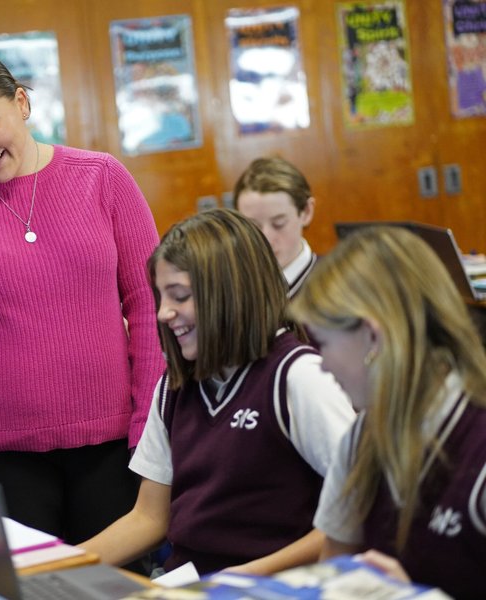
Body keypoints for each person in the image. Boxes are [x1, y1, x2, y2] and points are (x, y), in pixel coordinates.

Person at [0, 51, 164, 546]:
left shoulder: (103, 179)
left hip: (113, 447)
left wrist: (151, 431)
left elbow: (150, 308)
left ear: (21, 103)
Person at [80, 209, 354, 575]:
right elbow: (148, 518)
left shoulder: (298, 377)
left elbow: (357, 514)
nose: (163, 313)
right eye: (160, 297)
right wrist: (53, 565)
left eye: (179, 296)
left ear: (230, 294)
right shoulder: (175, 386)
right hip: (192, 582)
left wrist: (235, 580)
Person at [289, 226, 486, 600]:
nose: (323, 365)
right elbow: (332, 575)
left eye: (324, 343)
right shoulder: (363, 436)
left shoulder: (476, 440)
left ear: (374, 338)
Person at [233, 157, 316, 297]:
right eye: (253, 227)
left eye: (279, 224)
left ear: (307, 212)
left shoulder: (338, 285)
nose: (266, 239)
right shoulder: (235, 288)